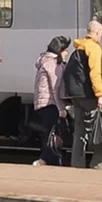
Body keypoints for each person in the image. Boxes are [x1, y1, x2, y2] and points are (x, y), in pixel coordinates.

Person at [62, 20, 102, 170]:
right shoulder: (94, 48)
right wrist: (100, 95)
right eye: (101, 34)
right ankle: (98, 162)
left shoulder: (79, 48)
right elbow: (95, 74)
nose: (101, 37)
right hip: (89, 95)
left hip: (76, 96)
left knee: (79, 131)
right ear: (97, 32)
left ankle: (77, 164)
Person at [31, 35, 71, 166]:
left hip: (42, 103)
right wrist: (61, 108)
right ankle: (44, 159)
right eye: (65, 50)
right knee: (52, 133)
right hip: (50, 103)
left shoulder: (44, 61)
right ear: (59, 50)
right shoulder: (53, 64)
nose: (67, 53)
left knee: (50, 132)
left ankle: (54, 159)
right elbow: (56, 87)